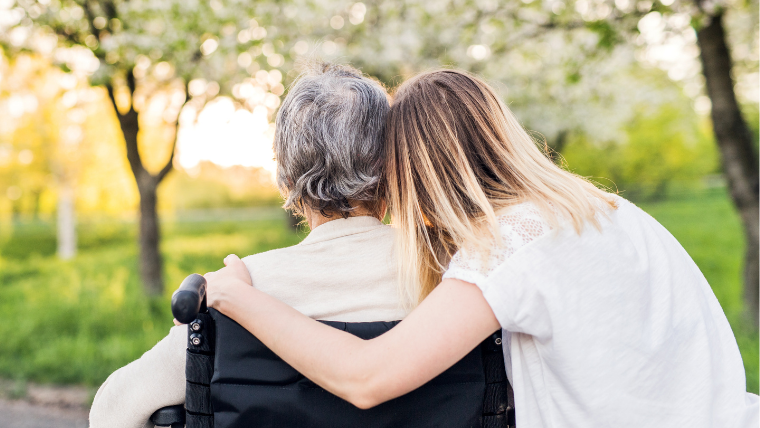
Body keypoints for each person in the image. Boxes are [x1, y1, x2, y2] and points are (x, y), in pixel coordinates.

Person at [206, 69, 759, 428]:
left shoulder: (508, 245)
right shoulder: (605, 210)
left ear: (419, 172)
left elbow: (367, 379)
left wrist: (238, 297)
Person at [89, 62, 408, 428]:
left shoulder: (237, 290)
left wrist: (192, 331)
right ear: (393, 167)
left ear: (286, 178)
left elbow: (112, 410)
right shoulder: (456, 283)